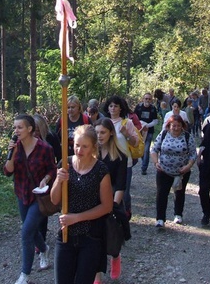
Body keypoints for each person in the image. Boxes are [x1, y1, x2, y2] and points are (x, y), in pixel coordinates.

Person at [51, 125, 113, 284]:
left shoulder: (100, 170)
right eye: (77, 145)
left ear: (93, 147)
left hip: (90, 236)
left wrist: (77, 218)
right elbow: (54, 200)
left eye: (84, 146)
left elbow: (107, 206)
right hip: (66, 234)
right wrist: (59, 180)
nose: (79, 149)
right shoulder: (65, 165)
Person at [3, 115, 57, 284]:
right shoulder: (15, 147)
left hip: (39, 196)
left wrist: (46, 180)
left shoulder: (44, 148)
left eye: (20, 127)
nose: (16, 131)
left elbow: (52, 170)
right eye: (15, 127)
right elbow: (7, 171)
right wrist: (11, 155)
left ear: (30, 129)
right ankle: (44, 248)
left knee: (26, 232)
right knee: (31, 230)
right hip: (21, 193)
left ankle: (24, 275)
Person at [94, 118, 129, 282]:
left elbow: (121, 185)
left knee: (111, 236)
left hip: (113, 199)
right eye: (97, 132)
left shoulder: (120, 157)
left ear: (110, 133)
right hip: (93, 200)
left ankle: (115, 256)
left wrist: (113, 207)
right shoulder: (92, 154)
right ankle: (97, 275)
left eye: (103, 132)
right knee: (95, 241)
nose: (99, 136)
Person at [150, 115, 196, 227]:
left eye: (178, 126)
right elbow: (154, 149)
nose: (176, 128)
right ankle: (160, 218)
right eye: (173, 125)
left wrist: (188, 166)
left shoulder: (187, 136)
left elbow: (193, 154)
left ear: (182, 126)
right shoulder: (163, 134)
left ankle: (178, 214)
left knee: (179, 192)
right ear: (169, 125)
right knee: (161, 193)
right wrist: (156, 162)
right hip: (164, 170)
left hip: (181, 171)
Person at [103, 96, 140, 220]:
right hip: (107, 162)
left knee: (123, 192)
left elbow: (135, 143)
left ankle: (125, 213)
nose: (113, 108)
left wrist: (126, 134)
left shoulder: (127, 123)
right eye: (111, 106)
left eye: (116, 106)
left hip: (124, 163)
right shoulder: (104, 123)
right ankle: (108, 215)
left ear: (120, 108)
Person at [33, 114, 62, 254]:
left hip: (47, 177)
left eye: (38, 129)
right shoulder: (26, 139)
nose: (36, 132)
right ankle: (36, 236)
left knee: (42, 208)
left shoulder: (51, 138)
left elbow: (60, 157)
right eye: (34, 129)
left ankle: (41, 239)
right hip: (31, 178)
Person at [134, 93, 159, 175]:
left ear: (151, 100)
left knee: (146, 149)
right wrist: (141, 125)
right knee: (140, 148)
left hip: (149, 131)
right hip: (139, 131)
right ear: (143, 99)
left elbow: (156, 121)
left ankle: (144, 168)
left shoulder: (153, 108)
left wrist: (147, 125)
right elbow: (134, 118)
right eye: (146, 98)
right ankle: (143, 160)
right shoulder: (138, 107)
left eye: (149, 99)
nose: (147, 100)